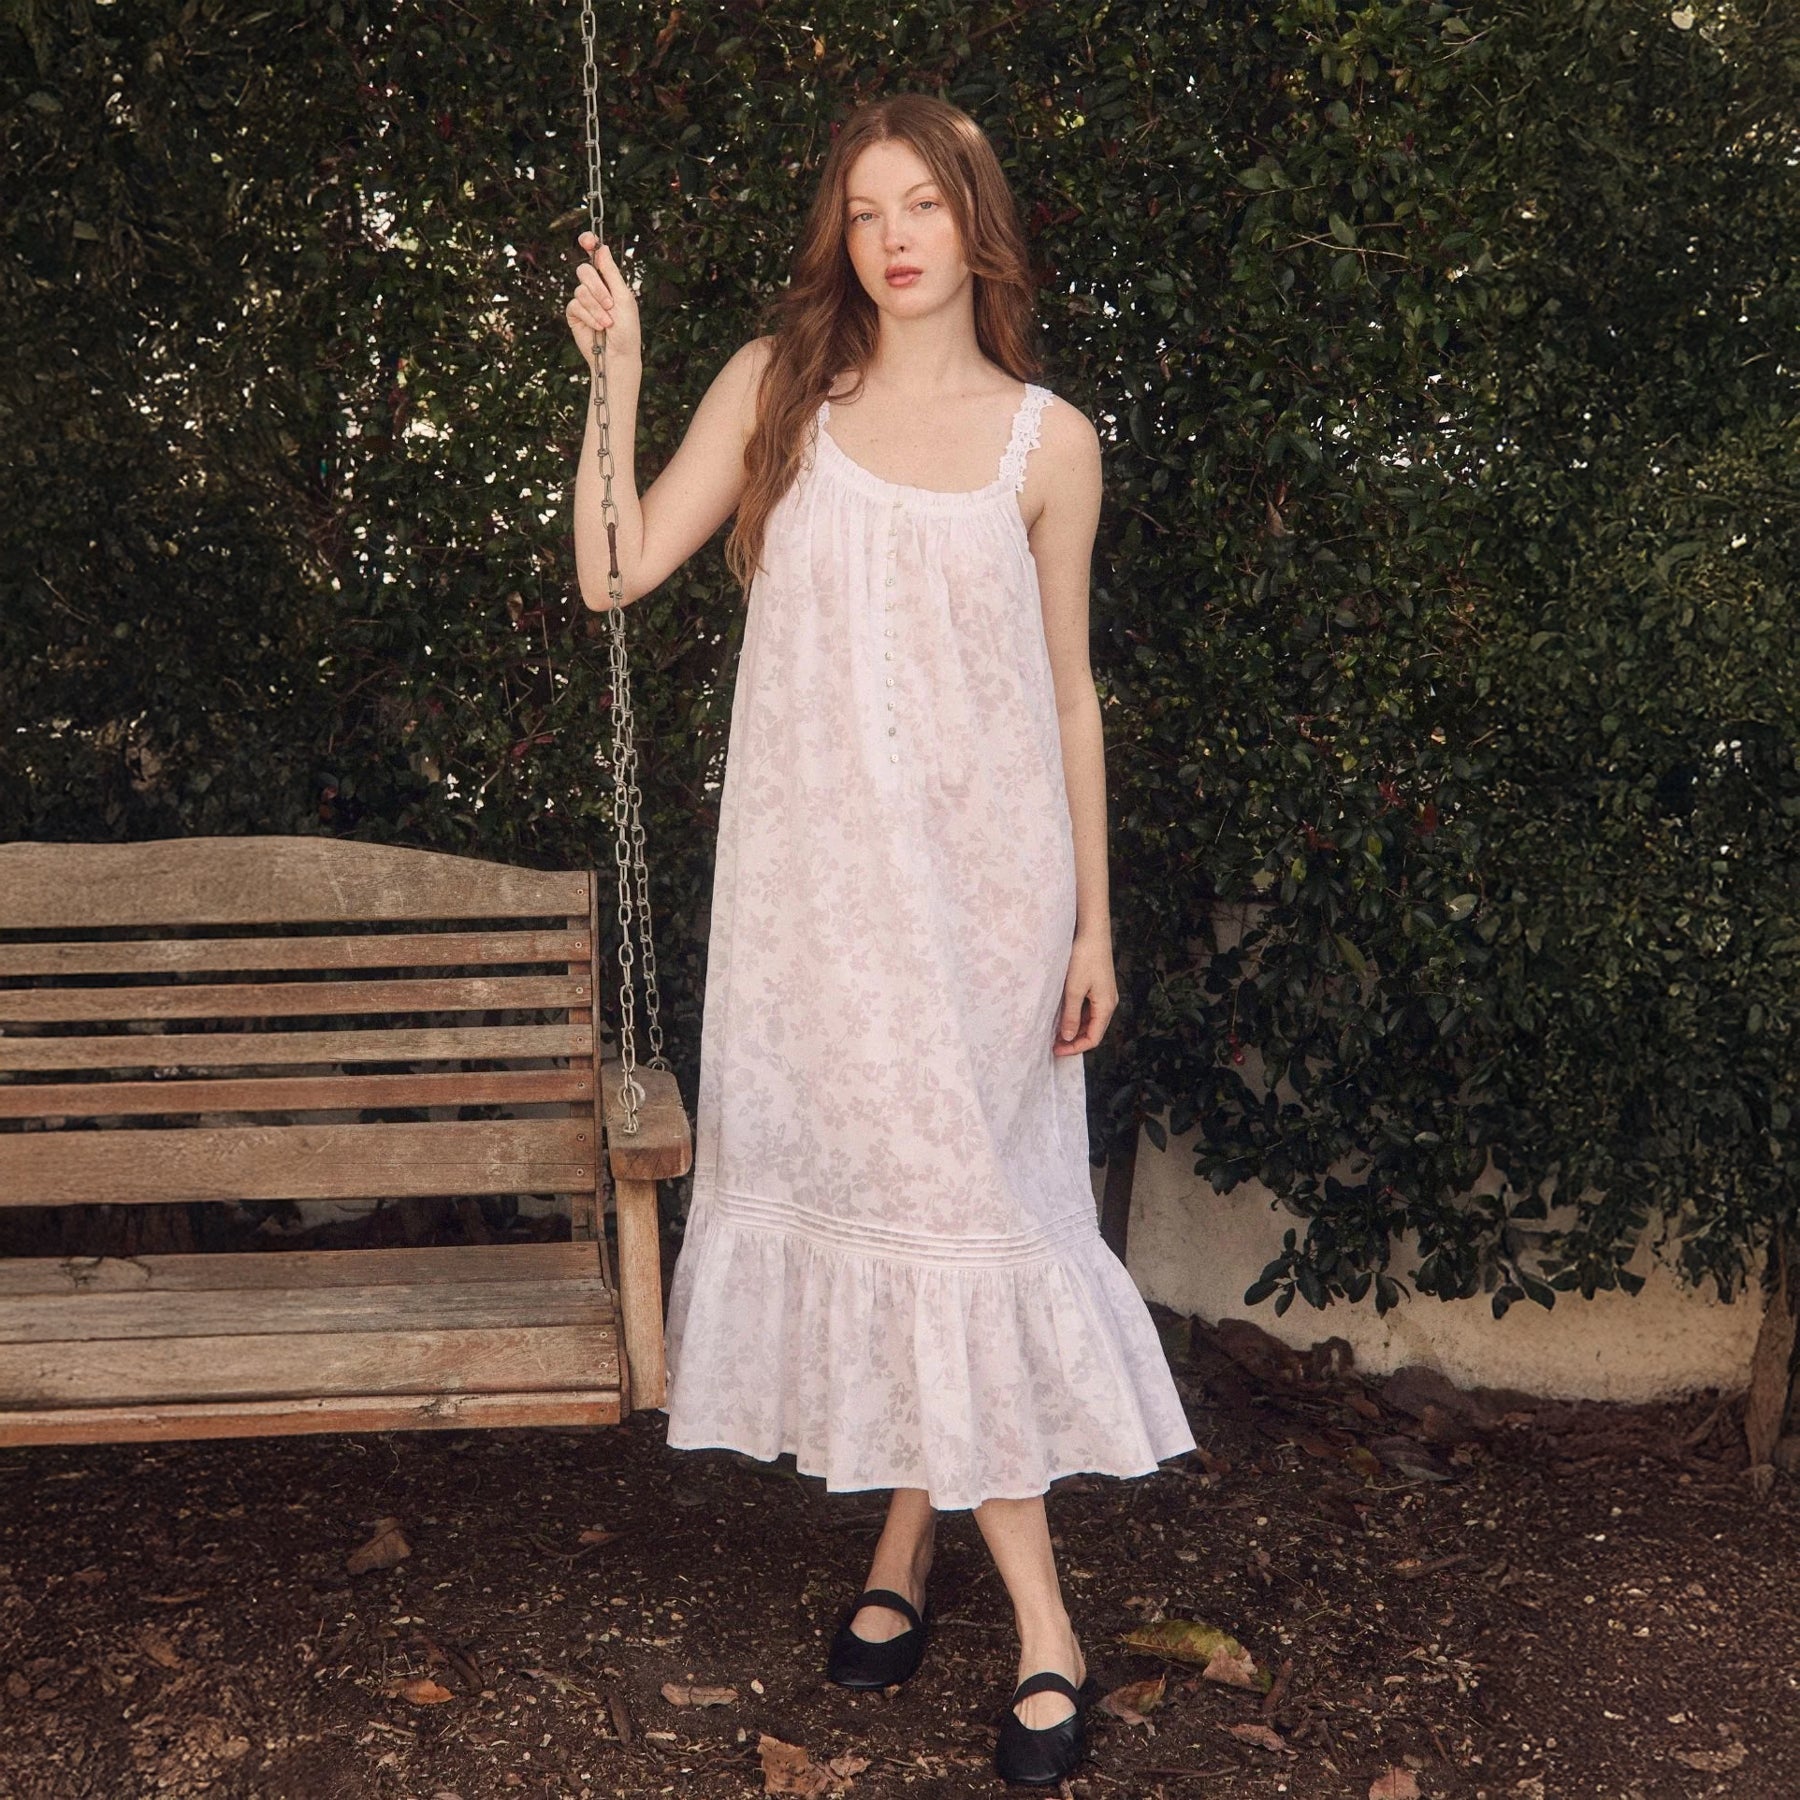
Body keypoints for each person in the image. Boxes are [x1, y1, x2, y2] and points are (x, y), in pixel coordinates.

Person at [565, 91, 1194, 1787]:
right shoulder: (779, 396)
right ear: (840, 239)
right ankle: (903, 1552)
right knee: (913, 1215)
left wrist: (1094, 923)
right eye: (865, 212)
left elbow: (1070, 697)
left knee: (965, 1216)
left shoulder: (1047, 443)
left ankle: (1043, 1631)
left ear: (974, 223)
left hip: (986, 908)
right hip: (816, 908)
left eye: (924, 204)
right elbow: (616, 570)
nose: (896, 236)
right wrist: (615, 381)